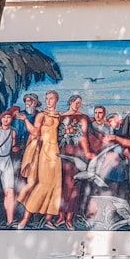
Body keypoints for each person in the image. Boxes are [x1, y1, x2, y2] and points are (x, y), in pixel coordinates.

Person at [18, 91, 63, 229]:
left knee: (56, 185)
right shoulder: (41, 115)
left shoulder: (59, 116)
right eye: (47, 98)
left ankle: (48, 218)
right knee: (43, 183)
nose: (49, 101)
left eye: (51, 99)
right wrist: (25, 120)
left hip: (55, 151)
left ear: (56, 100)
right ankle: (26, 218)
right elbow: (35, 132)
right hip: (44, 151)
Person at [58, 95, 95, 228]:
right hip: (61, 153)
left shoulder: (83, 118)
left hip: (76, 154)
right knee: (61, 184)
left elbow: (83, 137)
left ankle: (69, 217)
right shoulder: (60, 117)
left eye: (80, 103)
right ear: (70, 102)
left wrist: (86, 152)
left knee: (73, 185)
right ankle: (60, 216)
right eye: (76, 102)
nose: (78, 105)